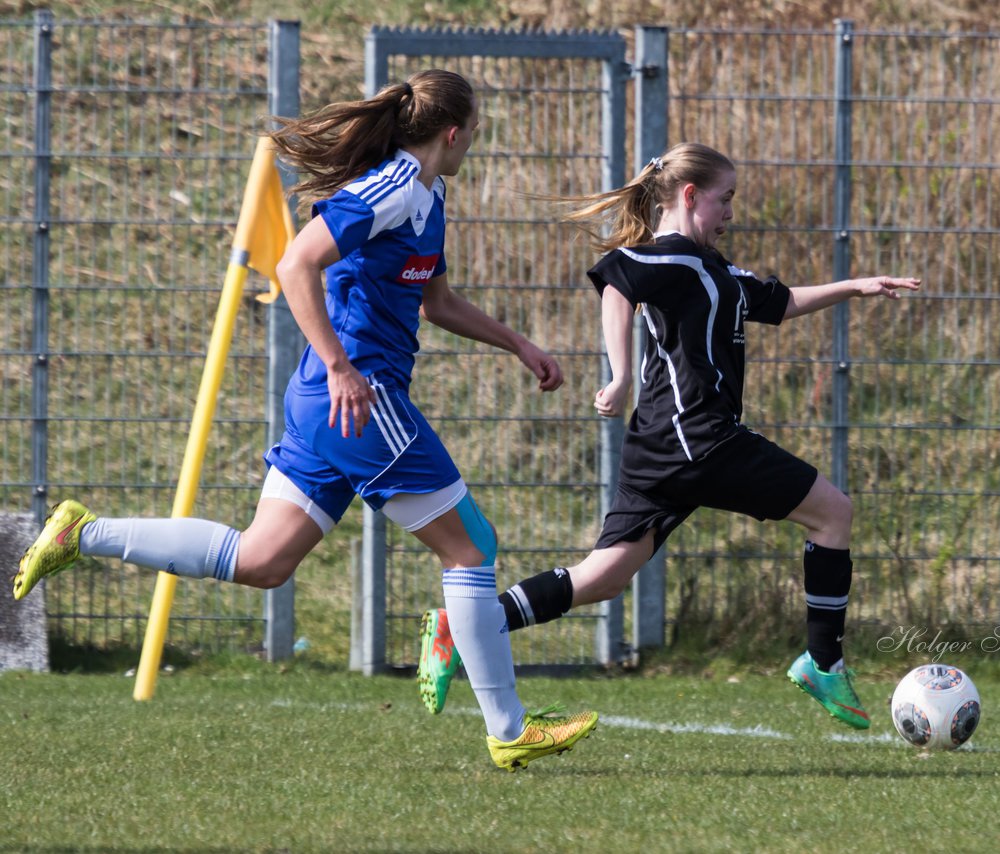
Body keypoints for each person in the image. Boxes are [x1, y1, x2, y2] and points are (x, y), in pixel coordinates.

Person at [12, 69, 597, 769]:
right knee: (470, 546)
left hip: (332, 404)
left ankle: (84, 532)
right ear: (454, 132)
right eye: (476, 130)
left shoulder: (430, 195)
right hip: (356, 399)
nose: (476, 141)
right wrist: (343, 367)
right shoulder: (393, 186)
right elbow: (295, 265)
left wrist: (519, 344)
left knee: (263, 560)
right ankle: (508, 730)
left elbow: (436, 303)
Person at [418, 141, 920, 730]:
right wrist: (621, 372)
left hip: (662, 446)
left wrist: (855, 286)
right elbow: (617, 286)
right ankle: (823, 660)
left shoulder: (715, 269)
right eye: (724, 199)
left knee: (603, 577)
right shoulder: (671, 258)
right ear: (689, 196)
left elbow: (780, 304)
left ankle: (467, 624)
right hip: (699, 439)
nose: (732, 212)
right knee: (833, 513)